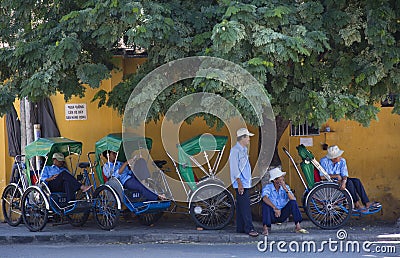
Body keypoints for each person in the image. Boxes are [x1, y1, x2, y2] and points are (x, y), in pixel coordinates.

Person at [320, 145, 381, 213]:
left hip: (340, 180)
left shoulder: (342, 161)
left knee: (356, 181)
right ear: (333, 158)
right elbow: (321, 177)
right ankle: (357, 204)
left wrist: (343, 182)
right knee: (349, 183)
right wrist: (335, 176)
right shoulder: (324, 161)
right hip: (330, 182)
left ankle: (366, 203)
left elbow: (344, 174)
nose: (341, 157)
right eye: (338, 156)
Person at [229, 128, 259, 237]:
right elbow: (234, 168)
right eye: (247, 137)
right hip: (240, 183)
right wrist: (239, 183)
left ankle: (240, 228)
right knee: (246, 206)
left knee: (242, 205)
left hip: (245, 182)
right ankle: (249, 228)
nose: (249, 139)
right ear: (242, 138)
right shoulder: (235, 151)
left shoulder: (244, 149)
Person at [261, 167, 308, 235]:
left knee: (293, 203)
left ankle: (298, 227)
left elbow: (293, 199)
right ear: (274, 180)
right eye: (280, 177)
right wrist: (275, 208)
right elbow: (264, 198)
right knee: (265, 204)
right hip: (272, 213)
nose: (282, 179)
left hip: (282, 213)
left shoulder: (286, 187)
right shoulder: (268, 187)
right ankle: (265, 228)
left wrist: (285, 189)